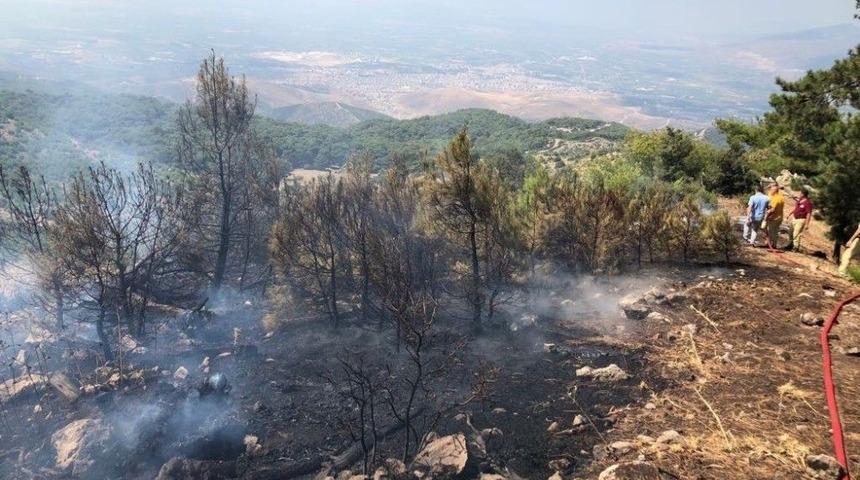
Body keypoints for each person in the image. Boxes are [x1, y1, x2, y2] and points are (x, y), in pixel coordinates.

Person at [765, 183, 785, 248]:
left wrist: (766, 216)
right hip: (780, 217)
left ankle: (771, 244)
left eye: (771, 190)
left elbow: (772, 210)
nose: (770, 191)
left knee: (771, 231)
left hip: (774, 218)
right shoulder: (781, 197)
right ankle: (773, 244)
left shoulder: (775, 199)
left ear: (774, 191)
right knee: (775, 231)